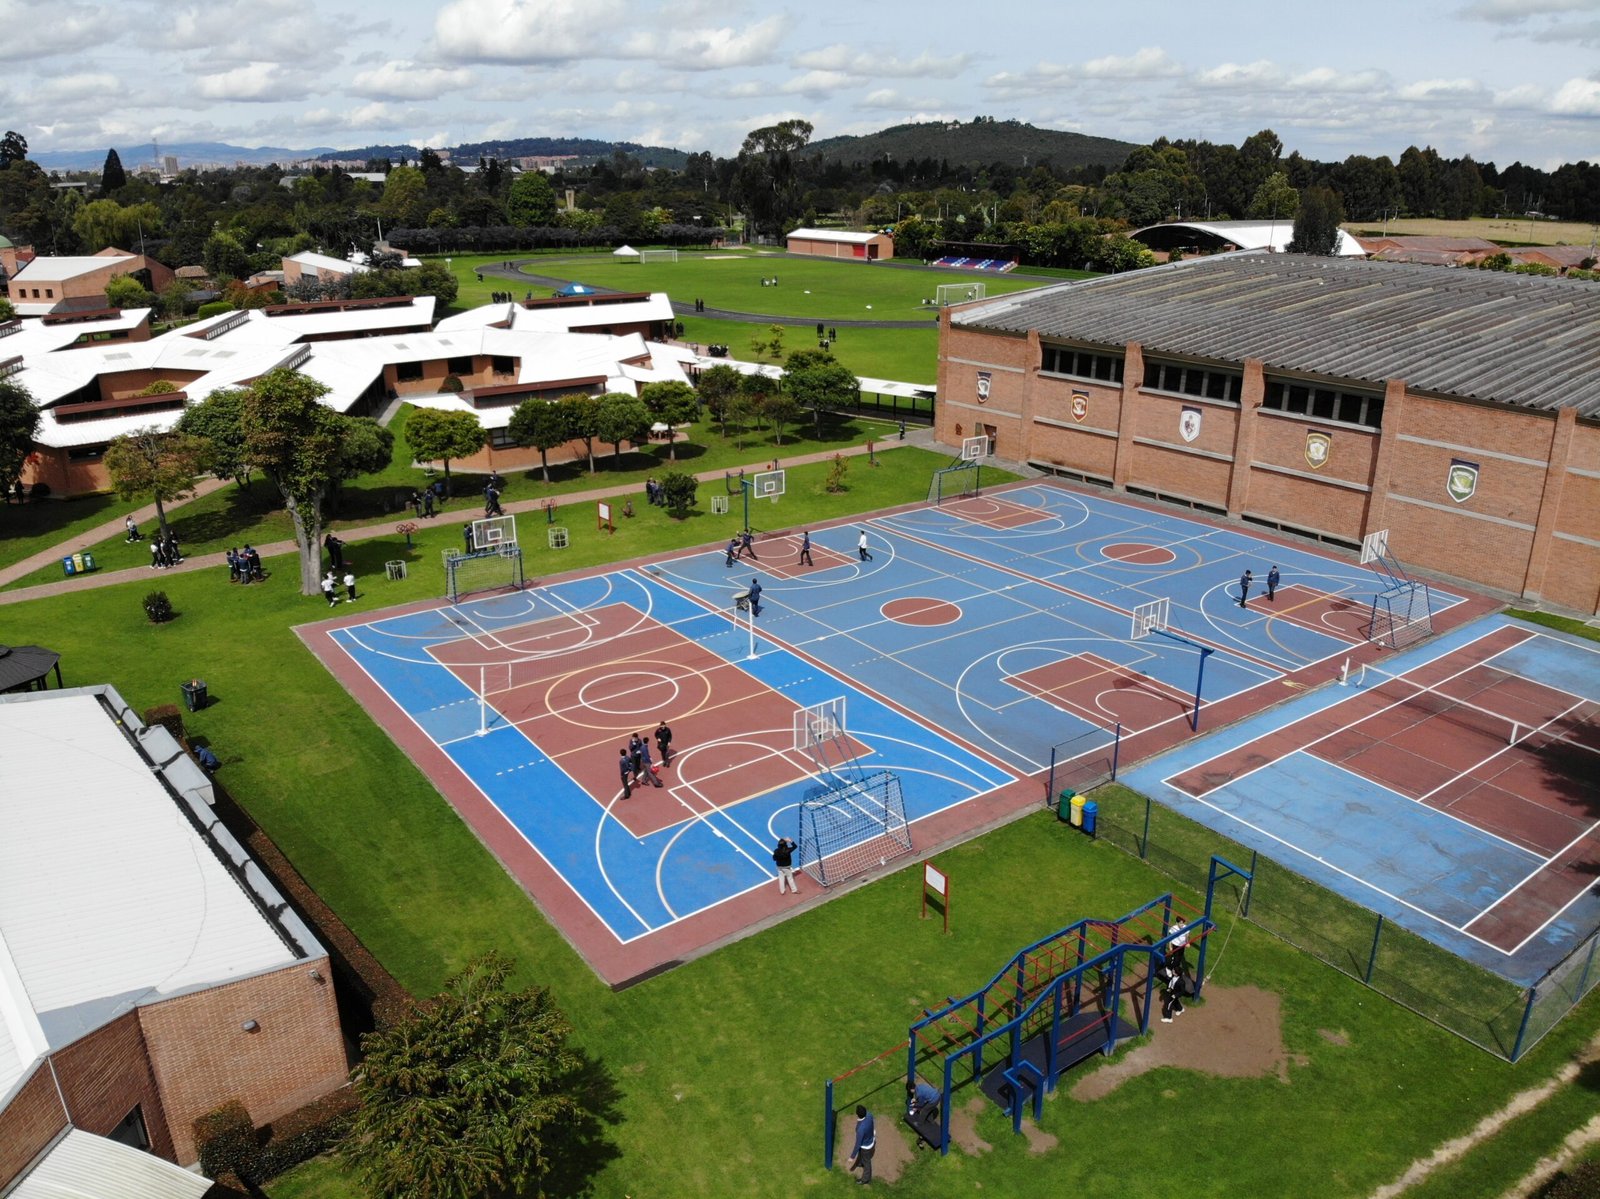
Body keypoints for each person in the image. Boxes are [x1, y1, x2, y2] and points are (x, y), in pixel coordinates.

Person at [848, 1105, 876, 1185]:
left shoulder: (860, 1129)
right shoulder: (869, 1115)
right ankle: (860, 1163)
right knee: (862, 1154)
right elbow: (872, 1121)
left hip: (866, 1147)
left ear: (857, 1114)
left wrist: (852, 1157)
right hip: (871, 1140)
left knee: (867, 1162)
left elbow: (858, 1144)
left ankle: (865, 1179)